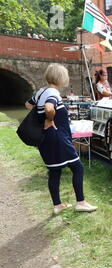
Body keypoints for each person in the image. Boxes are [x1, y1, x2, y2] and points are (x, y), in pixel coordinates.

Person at [25, 64, 97, 215]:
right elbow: (49, 108)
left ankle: (57, 205)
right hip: (57, 137)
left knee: (54, 171)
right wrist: (49, 119)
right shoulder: (53, 92)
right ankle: (81, 202)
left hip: (46, 139)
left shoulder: (41, 91)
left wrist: (41, 117)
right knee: (78, 167)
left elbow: (27, 104)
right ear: (61, 77)